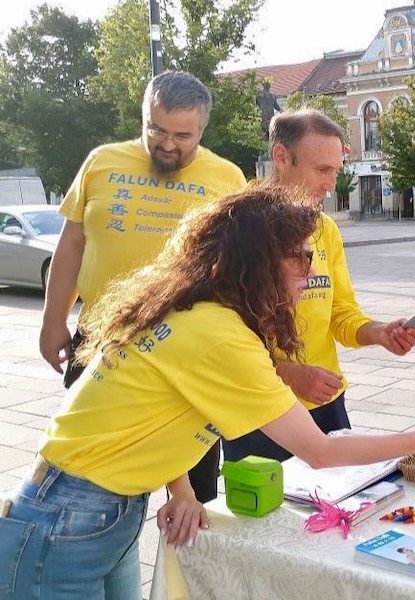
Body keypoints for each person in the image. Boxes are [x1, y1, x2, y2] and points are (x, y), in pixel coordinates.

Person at [0, 187, 415, 600]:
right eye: (301, 256)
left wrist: (182, 489)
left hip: (98, 505)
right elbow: (320, 449)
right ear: (260, 262)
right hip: (70, 513)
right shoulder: (219, 333)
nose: (310, 272)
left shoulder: (202, 311)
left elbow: (158, 408)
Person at [38, 70, 247, 503]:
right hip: (101, 339)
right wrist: (53, 320)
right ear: (143, 117)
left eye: (182, 136)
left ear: (202, 130)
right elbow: (72, 244)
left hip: (185, 350)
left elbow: (238, 268)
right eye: (156, 130)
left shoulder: (228, 179)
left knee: (196, 489)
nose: (167, 144)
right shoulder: (101, 162)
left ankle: (188, 567)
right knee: (89, 472)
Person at [222, 110, 415, 466]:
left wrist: (379, 333)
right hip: (260, 410)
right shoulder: (240, 229)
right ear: (281, 157)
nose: (331, 184)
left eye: (335, 170)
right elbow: (221, 339)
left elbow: (341, 313)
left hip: (327, 404)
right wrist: (289, 374)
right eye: (322, 170)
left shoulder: (325, 228)